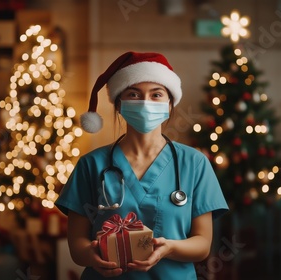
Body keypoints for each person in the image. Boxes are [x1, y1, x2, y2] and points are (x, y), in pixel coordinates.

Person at [55, 51, 228, 279]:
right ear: (118, 104)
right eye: (134, 94)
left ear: (169, 103)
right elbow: (77, 245)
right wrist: (93, 256)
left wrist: (169, 248)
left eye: (156, 94)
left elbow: (203, 244)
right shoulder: (91, 165)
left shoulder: (194, 164)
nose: (146, 103)